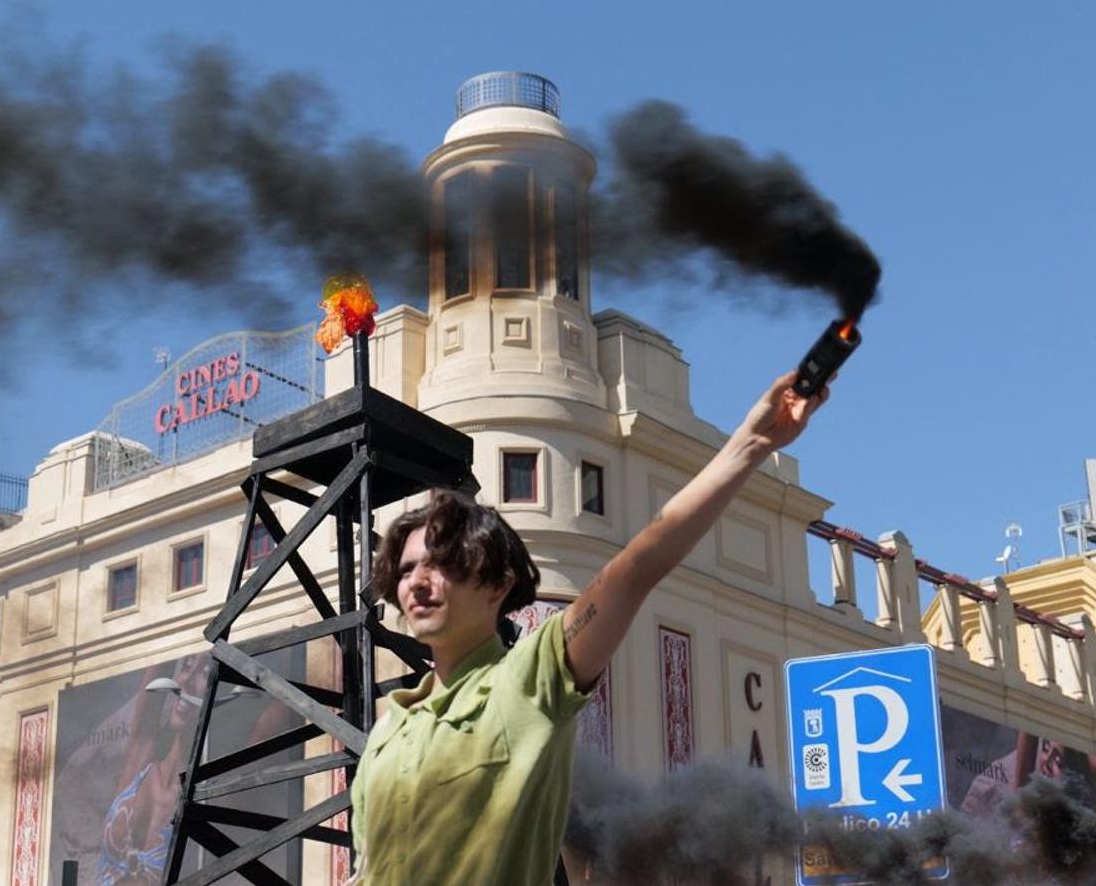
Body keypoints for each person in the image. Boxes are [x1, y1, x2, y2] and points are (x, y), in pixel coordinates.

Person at [348, 371, 830, 885]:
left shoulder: (526, 684)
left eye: (440, 563)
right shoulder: (388, 730)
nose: (417, 583)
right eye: (404, 570)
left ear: (496, 584)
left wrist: (751, 443)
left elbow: (635, 568)